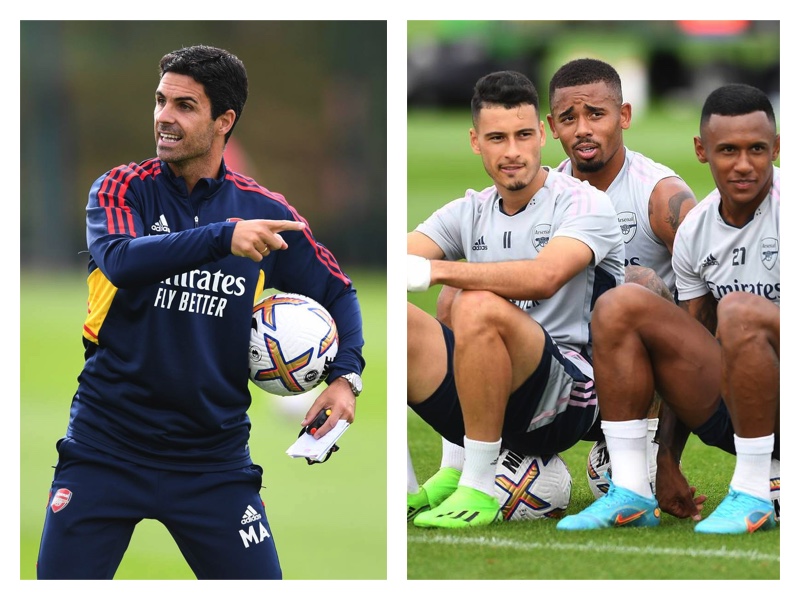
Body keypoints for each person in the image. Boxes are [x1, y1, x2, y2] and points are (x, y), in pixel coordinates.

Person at [36, 45, 365, 579]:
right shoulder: (122, 188)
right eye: (160, 101)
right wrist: (221, 238)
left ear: (223, 121)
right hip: (104, 450)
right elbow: (121, 260)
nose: (164, 116)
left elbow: (339, 292)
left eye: (184, 106)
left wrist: (346, 379)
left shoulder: (264, 210)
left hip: (213, 463)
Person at [556, 83, 779, 534]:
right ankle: (631, 489)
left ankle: (754, 491)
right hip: (743, 411)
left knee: (739, 312)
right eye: (728, 150)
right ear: (701, 150)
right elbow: (690, 348)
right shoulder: (697, 229)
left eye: (756, 149)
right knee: (621, 301)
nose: (743, 164)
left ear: (776, 148)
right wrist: (667, 458)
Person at [406, 70, 624, 528]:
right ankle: (424, 482)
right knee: (401, 317)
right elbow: (398, 257)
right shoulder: (470, 209)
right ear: (475, 142)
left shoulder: (583, 203)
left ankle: (479, 487)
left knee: (472, 302)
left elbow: (545, 277)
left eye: (523, 135)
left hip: (571, 398)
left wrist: (435, 269)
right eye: (497, 138)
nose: (512, 152)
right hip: (499, 392)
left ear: (541, 134)